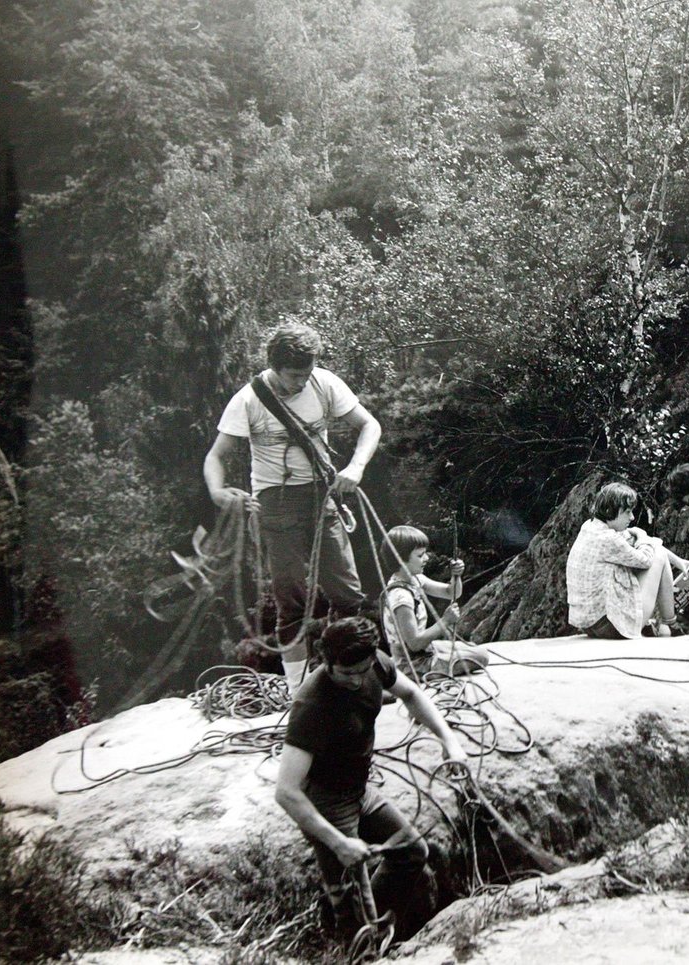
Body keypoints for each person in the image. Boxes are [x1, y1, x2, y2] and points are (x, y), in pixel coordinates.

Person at [204, 322, 381, 693]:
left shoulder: (324, 383)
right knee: (291, 599)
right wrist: (218, 491)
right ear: (274, 366)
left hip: (322, 493)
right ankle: (299, 692)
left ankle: (352, 675)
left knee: (348, 593)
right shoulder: (249, 399)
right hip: (275, 501)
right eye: (293, 375)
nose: (301, 382)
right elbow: (217, 456)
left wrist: (356, 467)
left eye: (306, 373)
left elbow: (369, 425)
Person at [275, 616, 467, 937]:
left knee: (411, 852)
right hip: (326, 802)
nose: (356, 680)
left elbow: (412, 694)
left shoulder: (373, 663)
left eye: (362, 671)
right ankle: (354, 934)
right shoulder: (312, 705)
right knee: (354, 899)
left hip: (360, 791)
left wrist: (450, 742)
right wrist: (339, 843)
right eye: (346, 673)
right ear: (327, 661)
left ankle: (361, 920)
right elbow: (286, 792)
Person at [566, 482, 689, 639]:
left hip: (589, 624)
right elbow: (647, 560)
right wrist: (642, 535)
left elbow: (638, 543)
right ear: (610, 511)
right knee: (657, 557)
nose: (632, 517)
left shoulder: (591, 527)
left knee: (651, 550)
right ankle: (670, 624)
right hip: (610, 626)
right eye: (627, 512)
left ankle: (666, 624)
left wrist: (677, 561)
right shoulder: (608, 539)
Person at [381, 525, 489, 677]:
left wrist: (456, 576)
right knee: (481, 657)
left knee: (471, 647)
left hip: (423, 651)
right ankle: (423, 673)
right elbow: (414, 643)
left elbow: (452, 593)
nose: (426, 558)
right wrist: (445, 621)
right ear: (400, 559)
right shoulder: (401, 597)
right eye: (420, 555)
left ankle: (439, 663)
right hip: (411, 662)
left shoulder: (416, 579)